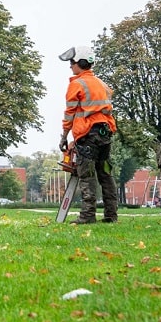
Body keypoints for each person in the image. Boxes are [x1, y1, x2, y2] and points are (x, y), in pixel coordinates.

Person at [58, 44, 118, 224]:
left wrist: (64, 136)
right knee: (105, 174)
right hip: (105, 133)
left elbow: (69, 113)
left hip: (87, 135)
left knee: (86, 175)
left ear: (80, 63)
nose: (70, 66)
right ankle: (111, 215)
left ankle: (87, 215)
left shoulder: (77, 84)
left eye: (72, 62)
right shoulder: (102, 84)